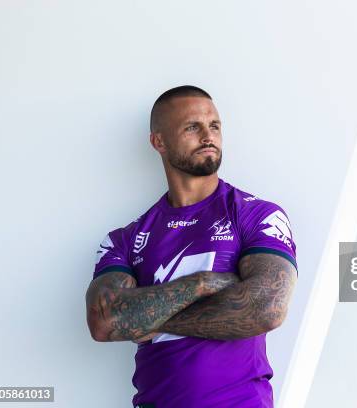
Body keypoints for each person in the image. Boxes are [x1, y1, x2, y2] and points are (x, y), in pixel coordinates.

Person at [85, 85, 298, 408]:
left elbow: (267, 308)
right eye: (192, 127)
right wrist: (202, 284)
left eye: (214, 126)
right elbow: (104, 322)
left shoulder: (255, 214)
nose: (207, 135)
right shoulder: (125, 239)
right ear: (159, 142)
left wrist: (149, 319)